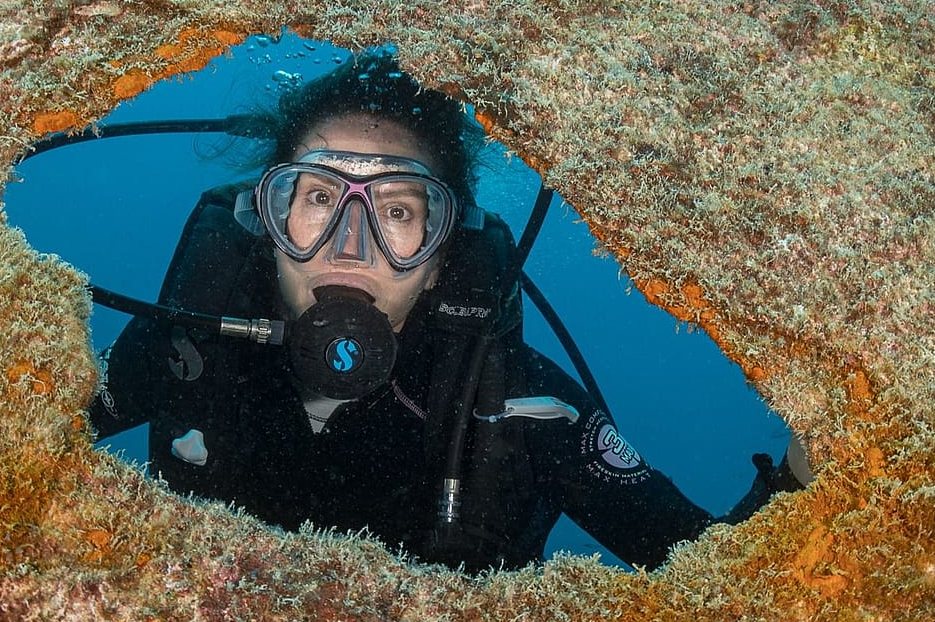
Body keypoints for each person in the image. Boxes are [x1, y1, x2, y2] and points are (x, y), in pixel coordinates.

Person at [88, 47, 806, 573]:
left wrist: (804, 482)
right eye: (315, 198)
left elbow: (714, 581)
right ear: (267, 220)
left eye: (397, 211)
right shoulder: (187, 343)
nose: (349, 245)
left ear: (441, 258)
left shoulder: (523, 407)